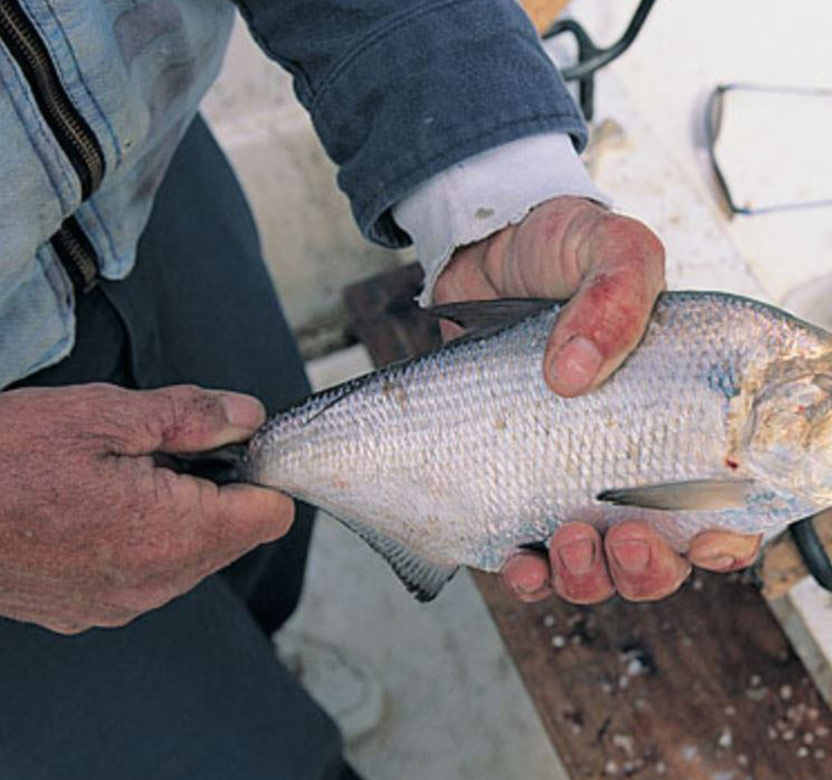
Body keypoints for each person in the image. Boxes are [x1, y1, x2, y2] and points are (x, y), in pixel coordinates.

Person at [0, 0, 759, 776]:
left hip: (137, 165)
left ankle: (258, 648)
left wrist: (497, 195)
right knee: (254, 758)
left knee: (265, 505)